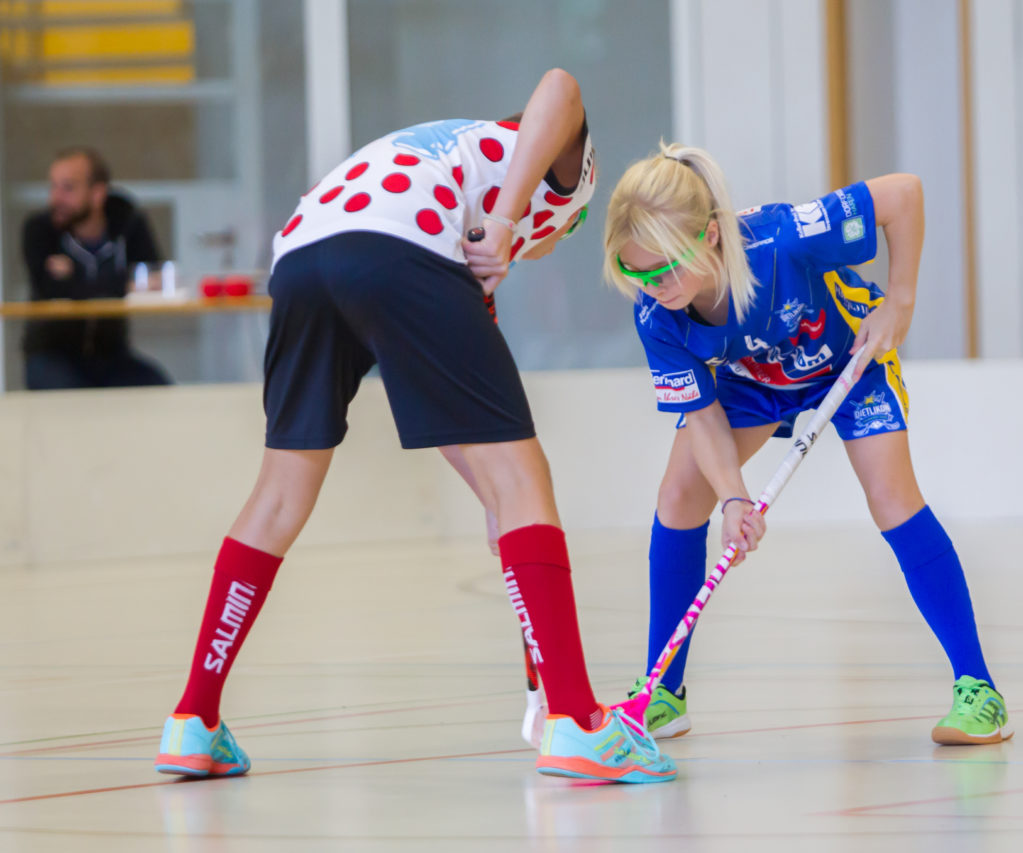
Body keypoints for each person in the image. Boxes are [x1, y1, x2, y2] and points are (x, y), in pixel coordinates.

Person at [153, 70, 675, 784]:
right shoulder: (541, 177)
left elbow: (471, 447)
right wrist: (509, 213)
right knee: (528, 479)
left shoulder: (454, 195)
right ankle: (578, 721)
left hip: (306, 255)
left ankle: (192, 718)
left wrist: (500, 505)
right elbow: (560, 86)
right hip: (397, 246)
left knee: (278, 496)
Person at [602, 142, 1012, 746]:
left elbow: (903, 195)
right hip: (752, 381)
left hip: (849, 358)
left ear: (711, 235)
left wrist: (899, 299)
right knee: (681, 496)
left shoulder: (783, 240)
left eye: (665, 268)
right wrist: (735, 498)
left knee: (891, 498)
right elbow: (702, 415)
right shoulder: (657, 315)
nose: (652, 285)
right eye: (636, 271)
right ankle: (665, 691)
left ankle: (979, 690)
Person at [21, 146, 172, 389]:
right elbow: (50, 289)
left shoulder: (129, 223)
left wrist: (75, 278)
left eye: (68, 188)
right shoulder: (39, 229)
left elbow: (156, 277)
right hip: (51, 355)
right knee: (72, 404)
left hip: (112, 354)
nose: (55, 198)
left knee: (160, 391)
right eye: (53, 186)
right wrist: (124, 282)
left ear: (97, 193)